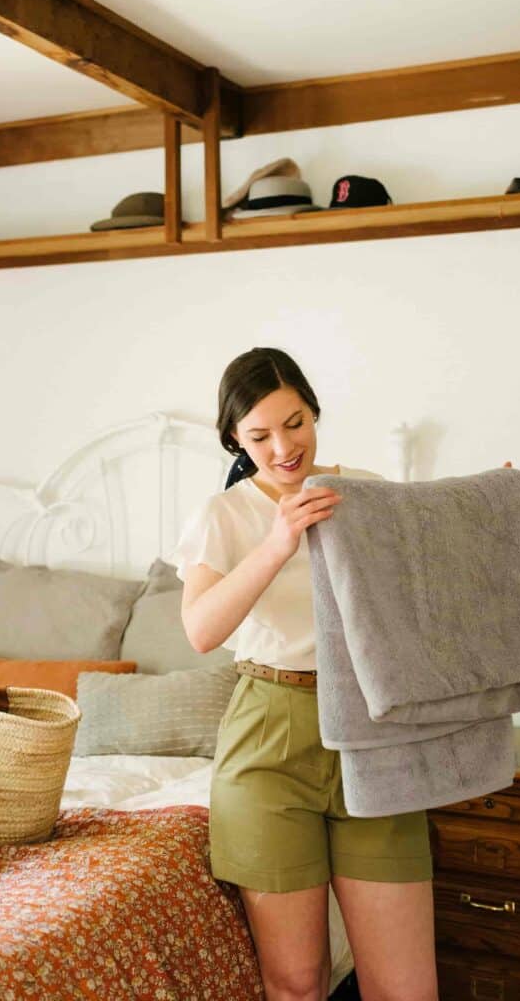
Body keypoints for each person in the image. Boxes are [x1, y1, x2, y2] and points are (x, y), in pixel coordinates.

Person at [171, 347, 440, 1001]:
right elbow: (202, 632)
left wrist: (488, 516)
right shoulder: (223, 516)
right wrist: (276, 541)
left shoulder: (366, 489)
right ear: (234, 438)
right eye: (260, 435)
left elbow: (431, 592)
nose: (283, 447)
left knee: (405, 987)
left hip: (369, 735)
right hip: (268, 739)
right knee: (295, 983)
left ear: (313, 412)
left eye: (295, 423)